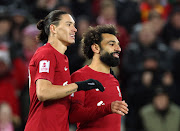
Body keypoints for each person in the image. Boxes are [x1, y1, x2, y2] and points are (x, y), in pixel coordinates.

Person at [24, 10, 104, 131]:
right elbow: (43, 92)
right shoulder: (47, 53)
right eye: (68, 24)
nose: (75, 29)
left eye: (74, 25)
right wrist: (78, 86)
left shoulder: (63, 59)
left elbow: (61, 101)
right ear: (53, 28)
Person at [69, 25, 129, 131]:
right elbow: (73, 115)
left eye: (118, 45)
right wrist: (107, 108)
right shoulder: (80, 76)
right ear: (96, 48)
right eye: (112, 44)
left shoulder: (114, 80)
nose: (118, 49)